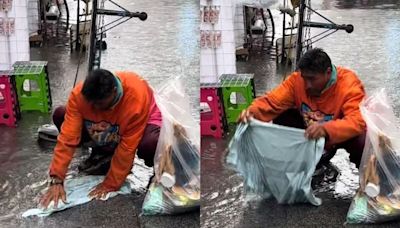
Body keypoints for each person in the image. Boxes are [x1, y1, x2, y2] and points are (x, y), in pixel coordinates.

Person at [40, 69, 162, 208]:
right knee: (61, 114)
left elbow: (127, 148)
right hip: (109, 128)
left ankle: (160, 170)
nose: (94, 109)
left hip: (142, 124)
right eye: (91, 105)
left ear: (114, 91)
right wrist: (57, 179)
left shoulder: (136, 97)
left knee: (151, 143)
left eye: (99, 105)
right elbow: (68, 137)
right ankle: (103, 151)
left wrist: (110, 184)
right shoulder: (79, 95)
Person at [239, 48, 366, 169]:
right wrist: (252, 112)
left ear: (328, 72)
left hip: (336, 137)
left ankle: (366, 180)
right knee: (282, 114)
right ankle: (299, 157)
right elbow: (272, 101)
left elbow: (357, 121)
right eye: (304, 78)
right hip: (309, 134)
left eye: (312, 79)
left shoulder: (349, 84)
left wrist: (326, 129)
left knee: (363, 140)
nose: (307, 85)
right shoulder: (296, 81)